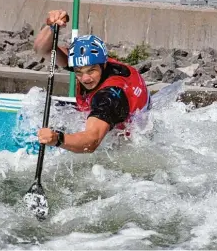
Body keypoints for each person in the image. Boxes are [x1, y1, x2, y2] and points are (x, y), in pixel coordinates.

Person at [33, 9, 150, 154]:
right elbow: (42, 50)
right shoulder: (93, 62)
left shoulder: (110, 96)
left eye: (91, 71)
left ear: (104, 64)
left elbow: (91, 142)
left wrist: (58, 139)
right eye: (78, 72)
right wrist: (52, 27)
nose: (85, 78)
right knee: (39, 107)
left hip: (127, 138)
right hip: (116, 106)